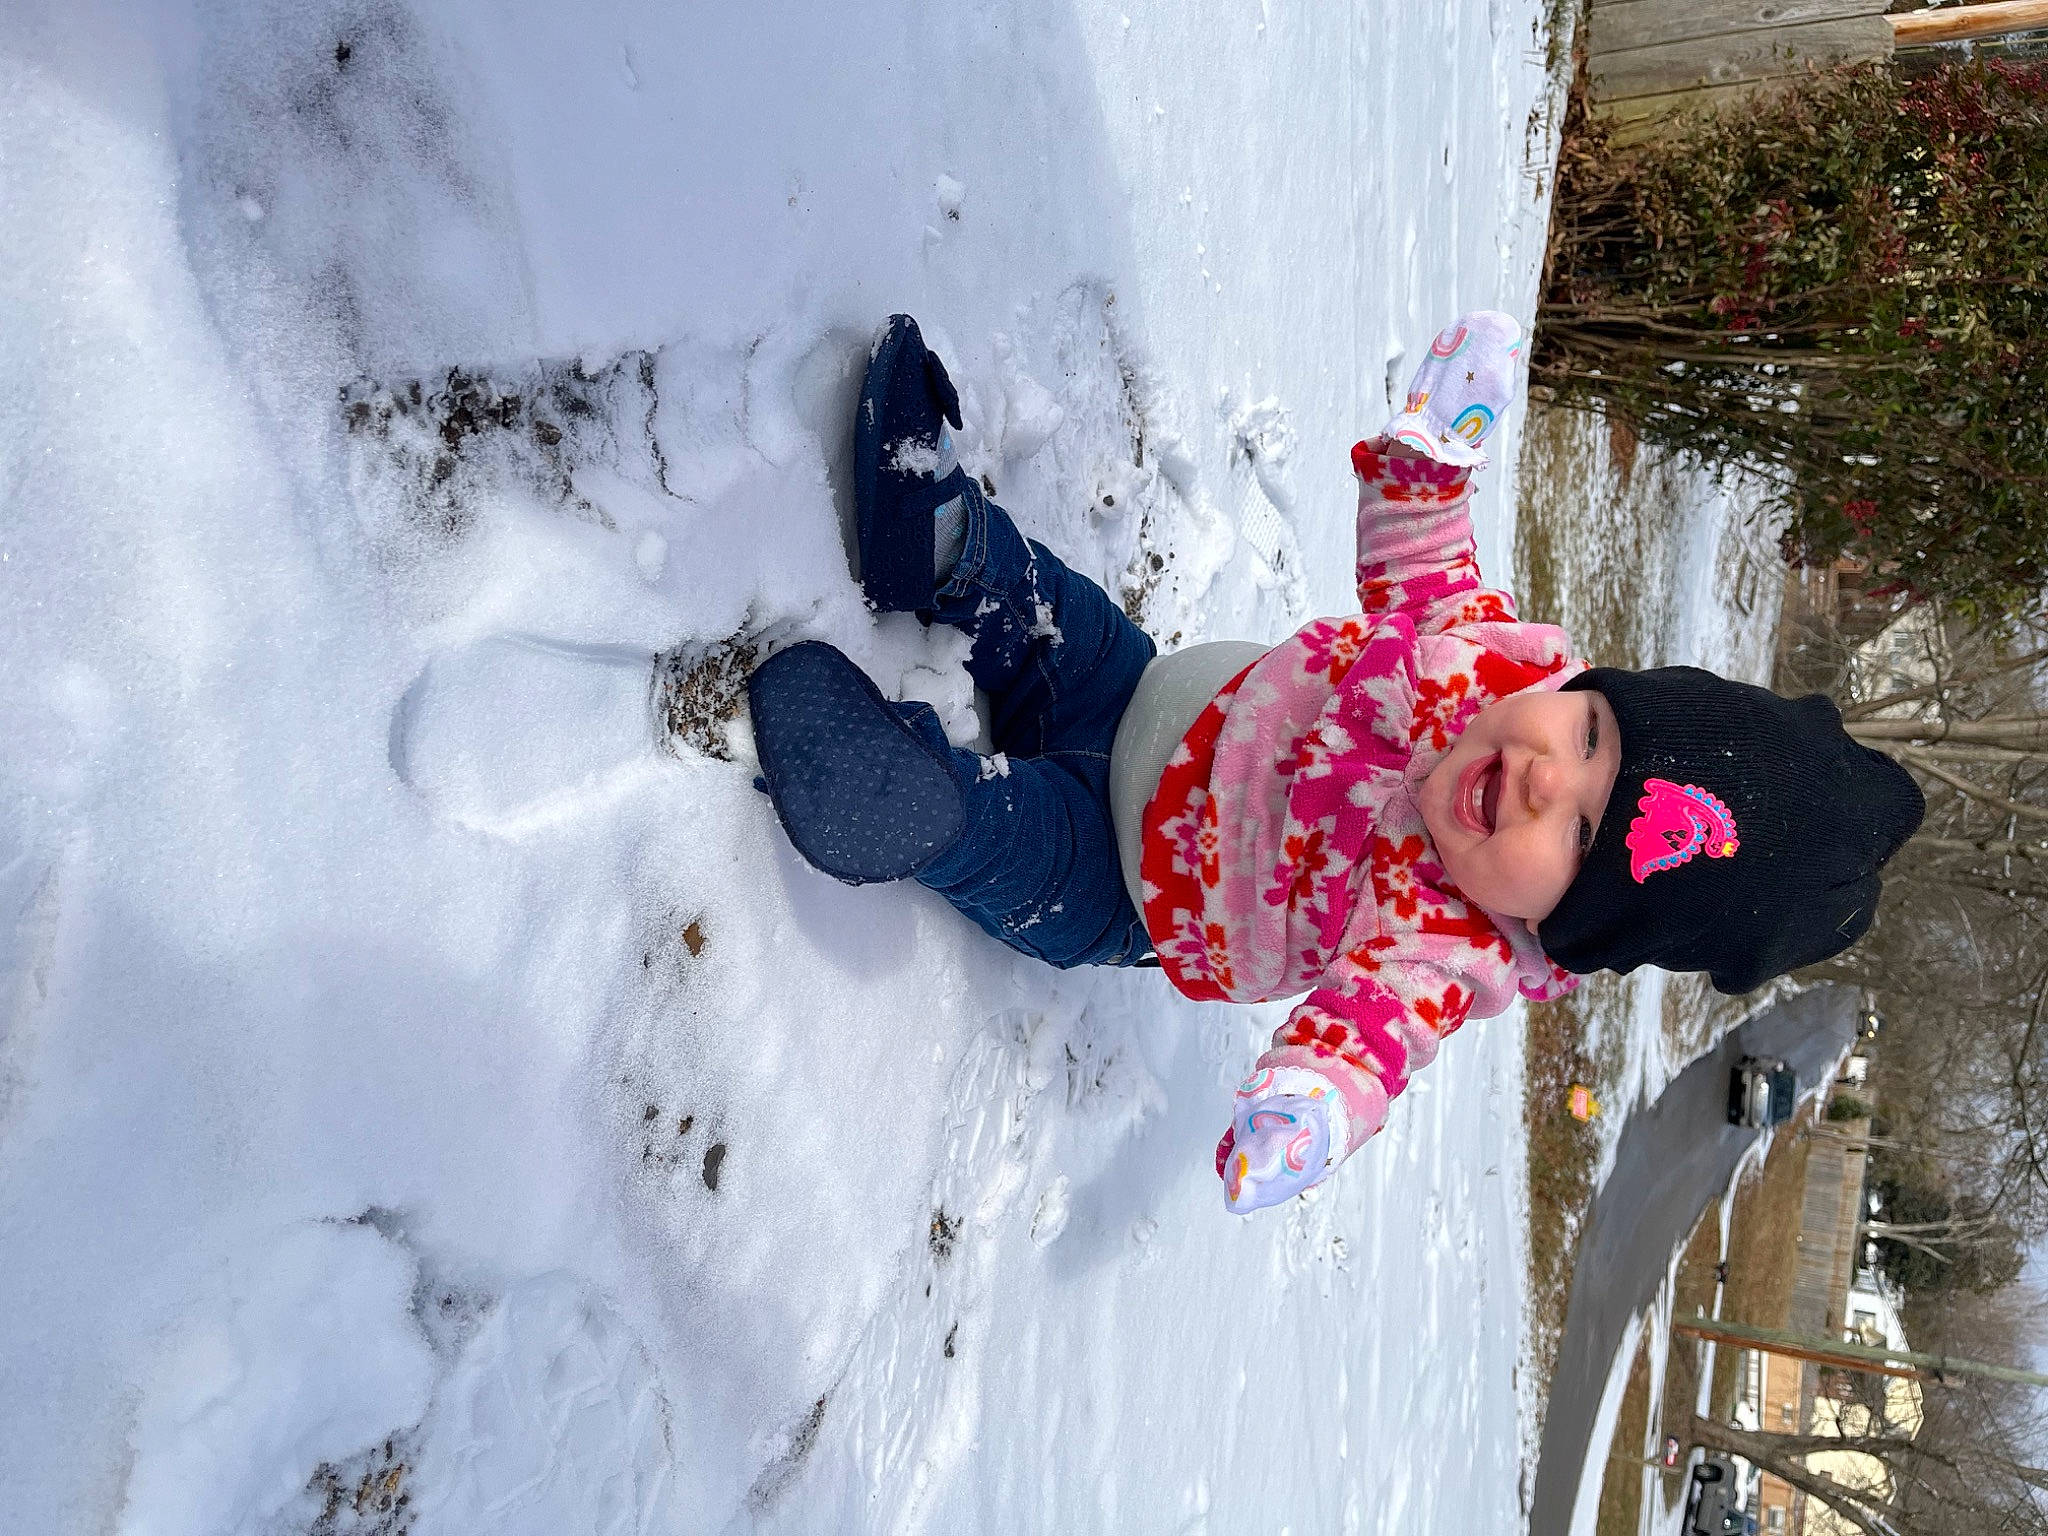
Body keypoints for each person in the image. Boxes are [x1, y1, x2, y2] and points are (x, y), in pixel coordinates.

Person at [746, 314, 1923, 1214]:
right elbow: (1419, 569)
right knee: (1051, 612)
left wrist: (1308, 1111)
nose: (1541, 778)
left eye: (1577, 836)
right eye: (1592, 736)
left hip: (1127, 879)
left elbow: (1368, 1037)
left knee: (1021, 847)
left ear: (1569, 932)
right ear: (1579, 690)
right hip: (1144, 691)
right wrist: (1427, 462)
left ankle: (921, 806)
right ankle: (941, 539)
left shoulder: (1444, 943)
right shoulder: (1490, 669)